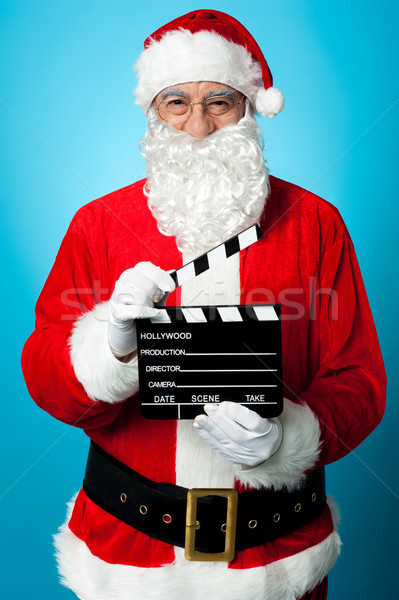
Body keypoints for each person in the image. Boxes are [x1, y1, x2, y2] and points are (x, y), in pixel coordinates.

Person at [21, 9, 386, 600]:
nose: (198, 126)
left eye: (220, 101)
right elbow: (44, 379)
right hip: (131, 555)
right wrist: (108, 346)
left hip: (278, 555)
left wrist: (292, 438)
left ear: (249, 108)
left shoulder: (317, 224)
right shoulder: (97, 225)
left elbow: (359, 378)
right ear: (152, 114)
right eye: (176, 103)